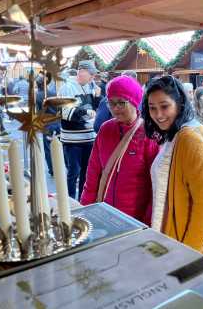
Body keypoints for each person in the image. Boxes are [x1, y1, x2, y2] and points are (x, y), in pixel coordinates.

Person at [142, 76, 203, 263]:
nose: (158, 114)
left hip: (191, 246)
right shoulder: (179, 133)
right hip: (181, 236)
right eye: (152, 107)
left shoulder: (188, 138)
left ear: (179, 103)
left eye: (164, 106)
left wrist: (187, 255)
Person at [80, 76, 158, 225]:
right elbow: (93, 173)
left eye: (121, 103)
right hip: (104, 213)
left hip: (134, 219)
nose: (115, 108)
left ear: (135, 102)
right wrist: (86, 210)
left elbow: (154, 185)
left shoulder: (149, 134)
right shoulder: (105, 129)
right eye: (111, 103)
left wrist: (148, 222)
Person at [58, 60, 99, 199]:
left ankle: (82, 199)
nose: (93, 77)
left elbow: (94, 109)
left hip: (89, 137)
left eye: (93, 75)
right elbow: (64, 113)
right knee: (73, 172)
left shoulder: (89, 86)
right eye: (91, 74)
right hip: (72, 139)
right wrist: (85, 113)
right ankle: (69, 200)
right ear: (81, 72)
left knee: (86, 173)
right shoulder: (67, 88)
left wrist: (97, 97)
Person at [36, 73, 61, 177]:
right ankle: (60, 167)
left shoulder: (37, 96)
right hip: (57, 122)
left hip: (47, 124)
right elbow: (59, 108)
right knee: (59, 146)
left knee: (48, 148)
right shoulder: (54, 93)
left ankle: (52, 169)